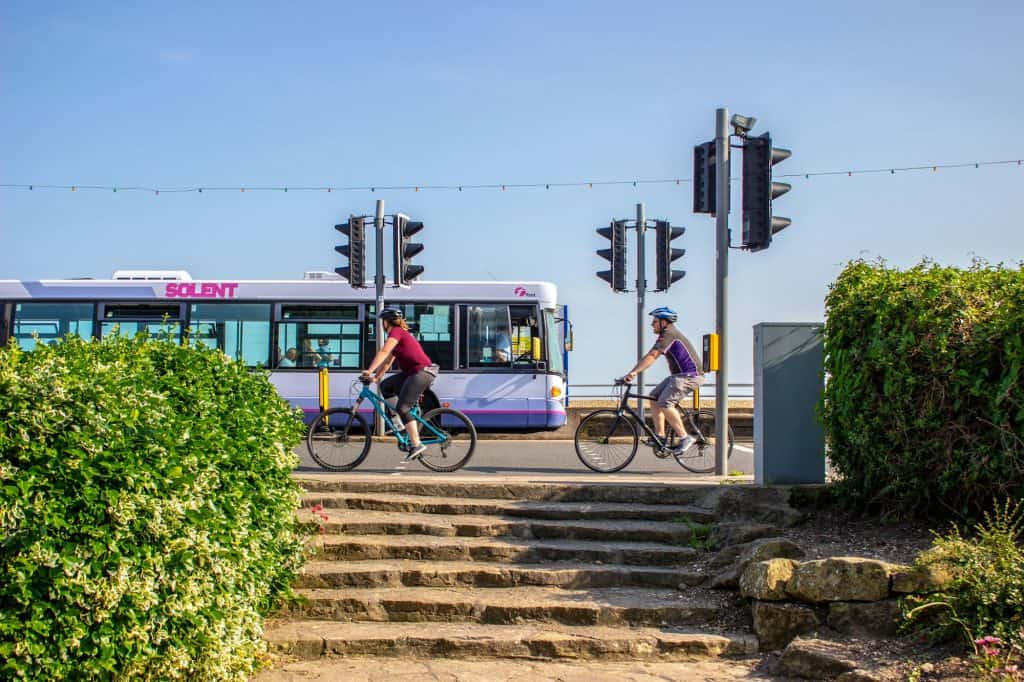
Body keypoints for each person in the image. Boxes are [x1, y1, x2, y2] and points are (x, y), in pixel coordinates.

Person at [621, 307, 704, 454]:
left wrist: (633, 373)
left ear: (664, 322)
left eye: (655, 321)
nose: (652, 324)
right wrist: (632, 372)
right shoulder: (666, 335)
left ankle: (685, 437)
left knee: (665, 402)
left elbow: (653, 355)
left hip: (689, 376)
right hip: (678, 376)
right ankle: (660, 436)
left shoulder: (669, 334)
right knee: (654, 396)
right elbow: (649, 354)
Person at [361, 307, 439, 461]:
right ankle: (400, 427)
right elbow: (388, 362)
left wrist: (369, 370)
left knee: (403, 407)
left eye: (382, 321)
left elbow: (383, 352)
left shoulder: (396, 332)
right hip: (413, 373)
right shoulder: (398, 336)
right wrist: (376, 378)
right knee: (386, 386)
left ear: (386, 322)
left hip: (422, 371)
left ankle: (417, 444)